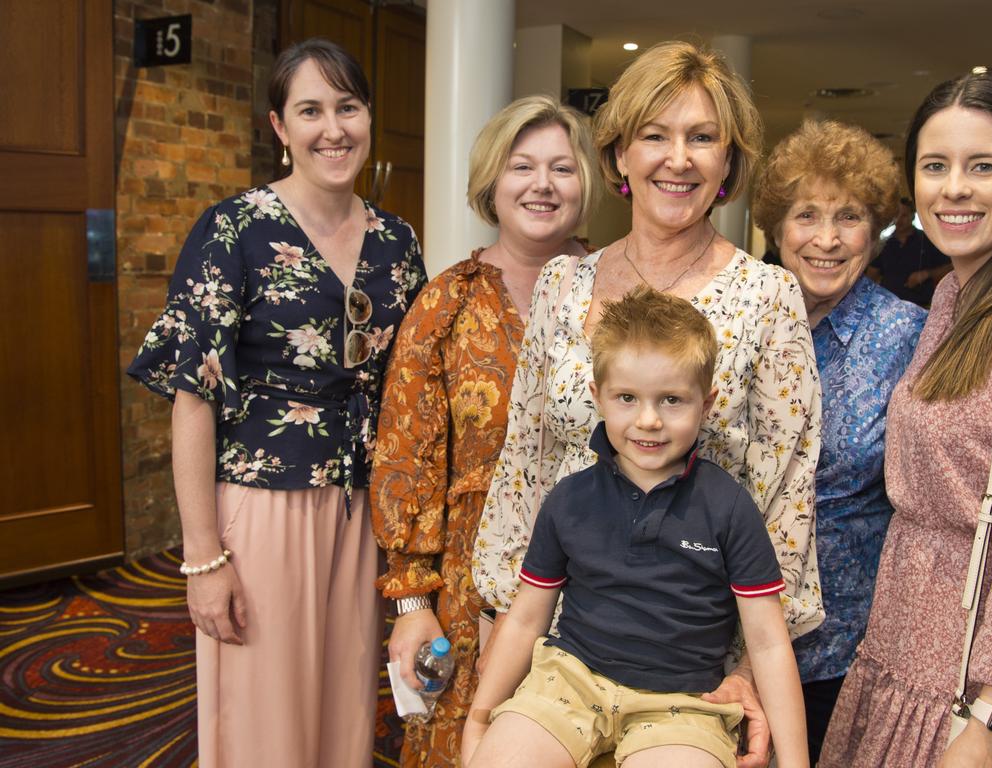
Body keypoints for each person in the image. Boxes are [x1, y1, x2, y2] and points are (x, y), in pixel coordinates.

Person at [473, 40, 824, 768]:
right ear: (620, 155)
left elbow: (783, 500)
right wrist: (501, 625)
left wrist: (744, 674)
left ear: (729, 163)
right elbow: (525, 464)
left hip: (687, 659)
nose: (679, 158)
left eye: (703, 138)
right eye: (655, 136)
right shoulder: (562, 286)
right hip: (558, 650)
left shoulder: (767, 297)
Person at [126, 39, 426, 768]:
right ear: (278, 127)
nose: (334, 129)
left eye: (348, 107)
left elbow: (409, 389)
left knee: (345, 711)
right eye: (311, 110)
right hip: (262, 504)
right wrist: (203, 558)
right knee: (264, 715)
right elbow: (192, 398)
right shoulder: (233, 229)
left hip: (359, 509)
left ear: (368, 116)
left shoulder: (397, 240)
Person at [462, 288, 809, 768]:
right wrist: (479, 717)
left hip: (683, 705)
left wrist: (795, 764)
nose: (648, 420)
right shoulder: (569, 499)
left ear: (705, 404)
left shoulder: (729, 506)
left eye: (672, 400)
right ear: (598, 397)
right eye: (627, 398)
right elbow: (525, 618)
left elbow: (769, 644)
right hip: (568, 681)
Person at [370, 95, 596, 767]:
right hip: (475, 591)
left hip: (603, 577)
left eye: (562, 167)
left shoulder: (619, 290)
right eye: (522, 165)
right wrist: (412, 601)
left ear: (585, 184)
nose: (543, 184)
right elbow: (405, 459)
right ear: (491, 183)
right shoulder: (447, 302)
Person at [820, 67, 992, 767]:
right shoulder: (949, 300)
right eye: (936, 166)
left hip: (971, 675)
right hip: (901, 644)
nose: (955, 188)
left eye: (983, 166)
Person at [751, 119, 926, 763]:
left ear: (875, 228)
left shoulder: (911, 337)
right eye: (806, 215)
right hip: (720, 636)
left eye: (849, 217)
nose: (826, 239)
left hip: (850, 647)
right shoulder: (738, 319)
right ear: (776, 227)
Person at [867, 196, 952, 307]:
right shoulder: (884, 243)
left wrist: (926, 274)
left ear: (913, 215)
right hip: (888, 309)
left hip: (922, 307)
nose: (899, 220)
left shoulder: (929, 239)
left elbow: (950, 268)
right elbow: (871, 276)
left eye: (904, 215)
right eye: (896, 216)